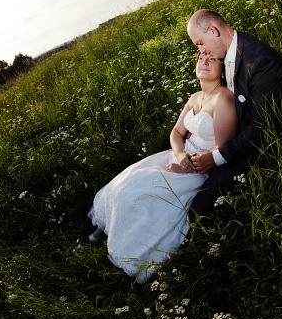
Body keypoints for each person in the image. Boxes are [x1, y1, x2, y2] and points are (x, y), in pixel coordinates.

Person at [88, 51, 237, 282]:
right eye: (200, 59)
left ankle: (126, 250)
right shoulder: (195, 97)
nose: (204, 62)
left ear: (223, 67)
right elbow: (177, 132)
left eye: (212, 59)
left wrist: (187, 165)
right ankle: (106, 228)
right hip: (178, 156)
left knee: (137, 191)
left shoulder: (224, 99)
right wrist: (178, 155)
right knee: (126, 179)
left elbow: (221, 149)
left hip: (199, 168)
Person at [186, 8, 282, 216]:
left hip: (263, 148)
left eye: (200, 42)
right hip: (234, 141)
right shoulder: (227, 54)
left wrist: (216, 157)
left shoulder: (261, 62)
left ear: (213, 31)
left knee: (198, 205)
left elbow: (265, 127)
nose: (202, 51)